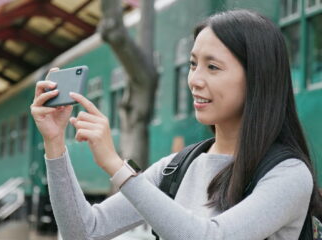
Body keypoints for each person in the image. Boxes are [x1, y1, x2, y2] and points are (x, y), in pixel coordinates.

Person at [30, 9, 321, 240]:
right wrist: (54, 144)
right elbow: (84, 232)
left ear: (258, 78)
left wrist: (118, 168)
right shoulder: (177, 168)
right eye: (193, 64)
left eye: (213, 67)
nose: (194, 79)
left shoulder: (288, 174)